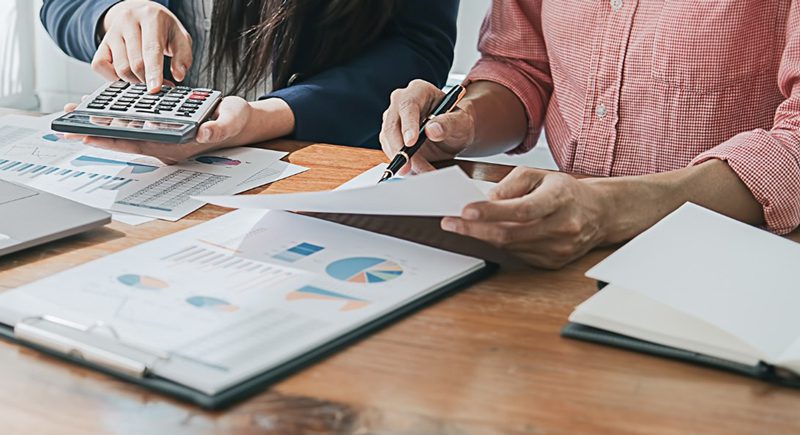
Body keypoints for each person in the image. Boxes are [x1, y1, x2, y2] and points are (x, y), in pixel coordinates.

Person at [380, 1, 800, 269]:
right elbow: (521, 64)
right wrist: (461, 123)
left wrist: (609, 210)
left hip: (739, 262)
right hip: (561, 249)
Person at [40, 0, 457, 162]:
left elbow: (419, 46)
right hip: (154, 169)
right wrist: (112, 12)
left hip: (316, 161)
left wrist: (269, 116)